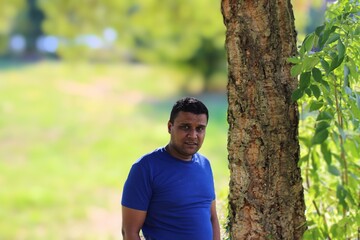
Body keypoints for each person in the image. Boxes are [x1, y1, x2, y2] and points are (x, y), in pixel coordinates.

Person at [121, 97, 221, 240]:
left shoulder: (205, 165)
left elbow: (212, 218)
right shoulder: (145, 168)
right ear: (170, 127)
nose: (193, 135)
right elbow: (129, 232)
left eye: (200, 129)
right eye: (185, 127)